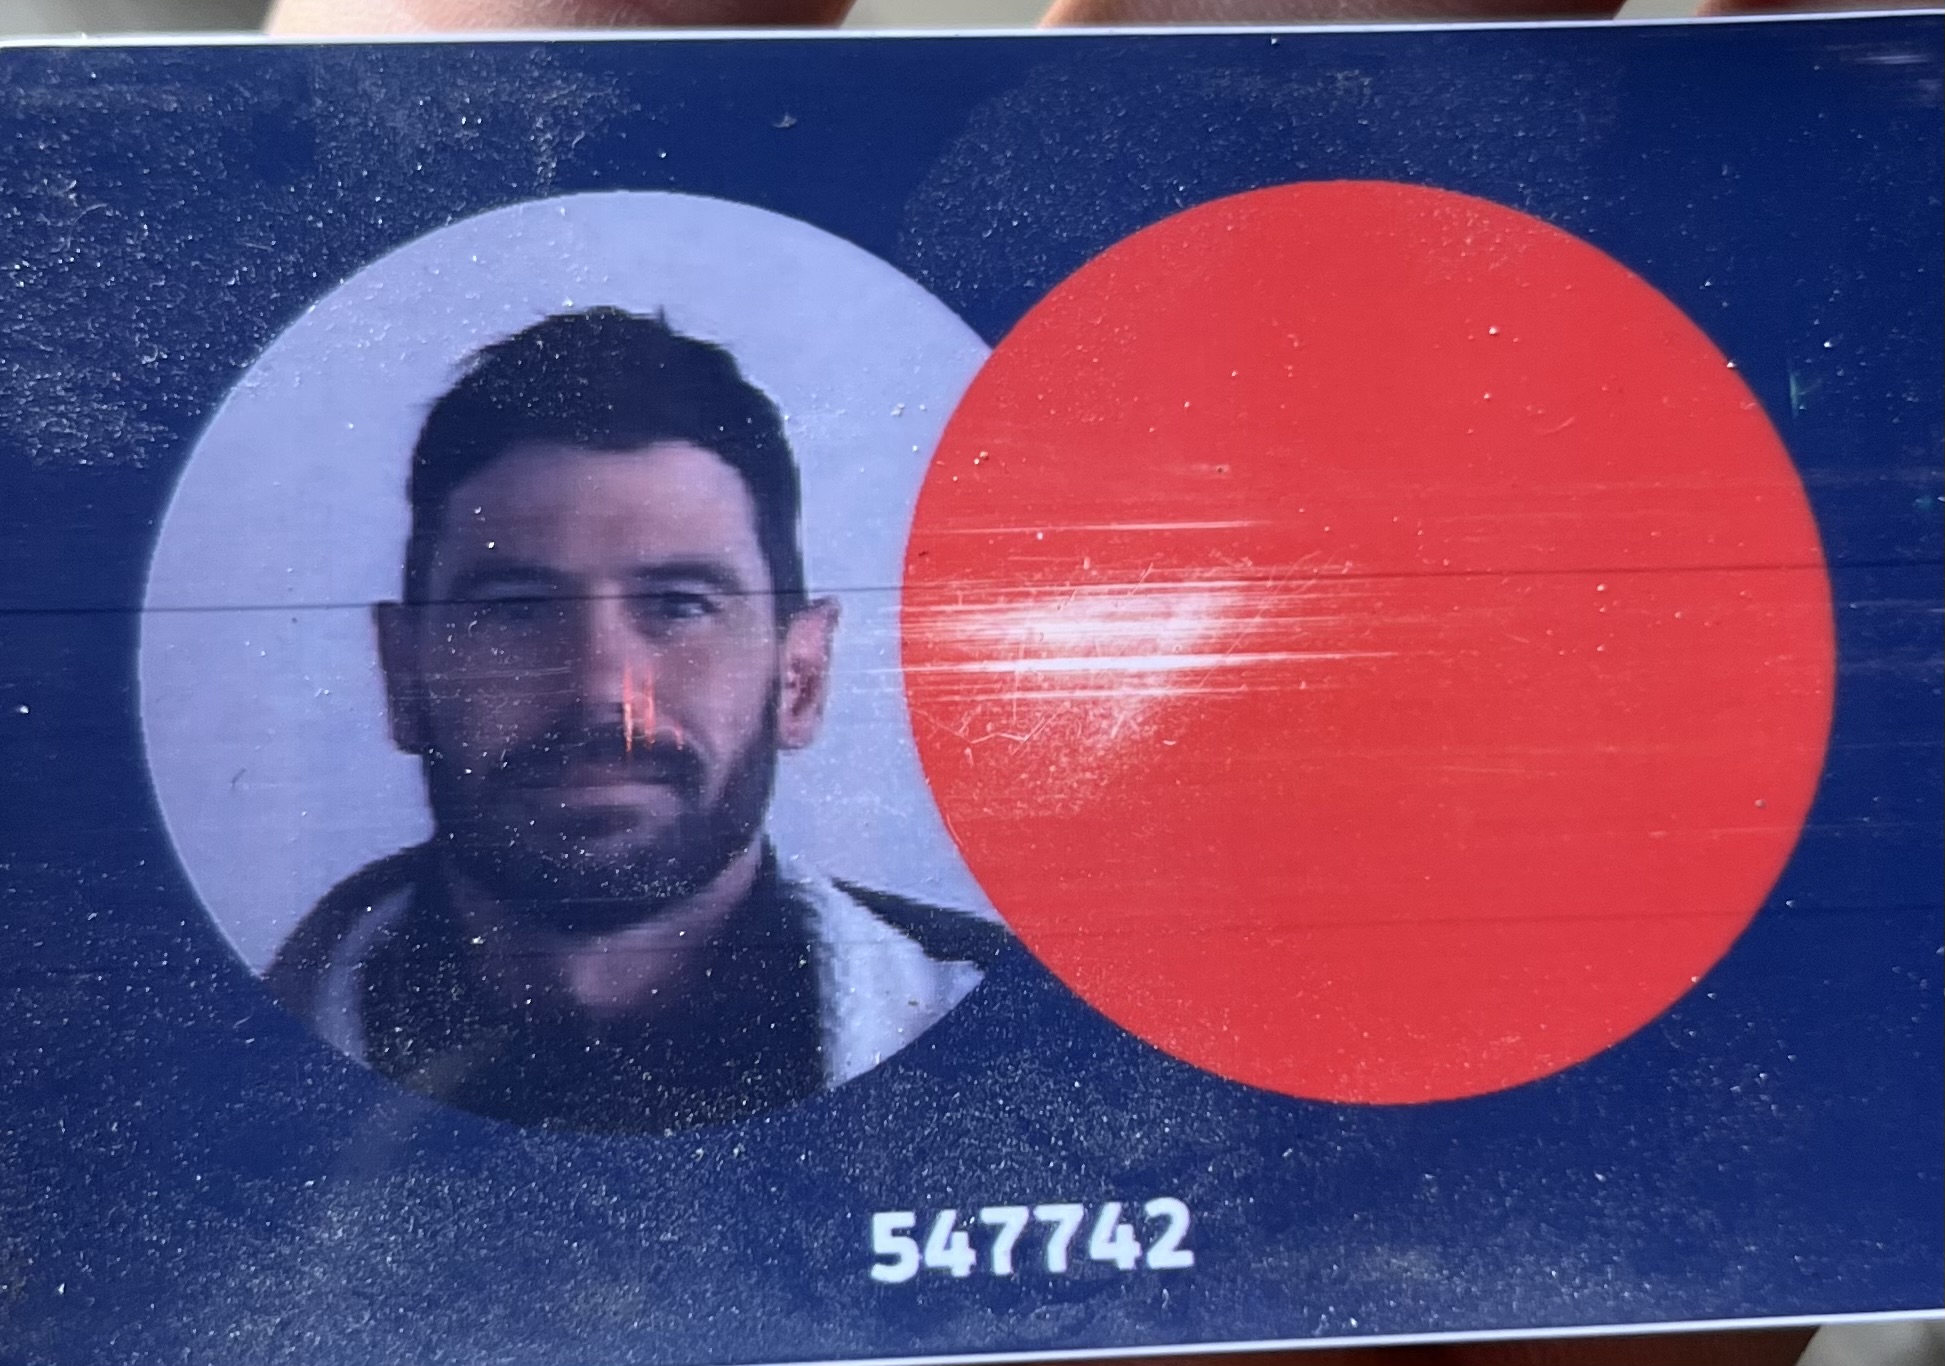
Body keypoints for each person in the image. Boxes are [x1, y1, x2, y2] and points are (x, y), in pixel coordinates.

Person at [267, 308, 1007, 1133]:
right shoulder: (202, 1071)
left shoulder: (1025, 1049)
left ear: (799, 679)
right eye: (517, 610)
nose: (603, 690)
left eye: (679, 606)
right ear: (402, 675)